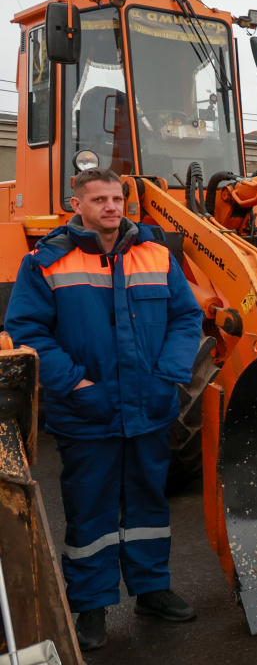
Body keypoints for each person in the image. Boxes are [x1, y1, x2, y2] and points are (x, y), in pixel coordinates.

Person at [4, 168, 203, 650]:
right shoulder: (46, 262)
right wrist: (76, 383)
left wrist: (168, 376)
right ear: (78, 206)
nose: (111, 207)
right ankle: (90, 607)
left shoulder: (155, 254)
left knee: (148, 506)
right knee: (88, 513)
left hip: (149, 408)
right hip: (86, 410)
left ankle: (152, 590)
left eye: (117, 198)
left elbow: (186, 317)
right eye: (99, 200)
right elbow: (28, 332)